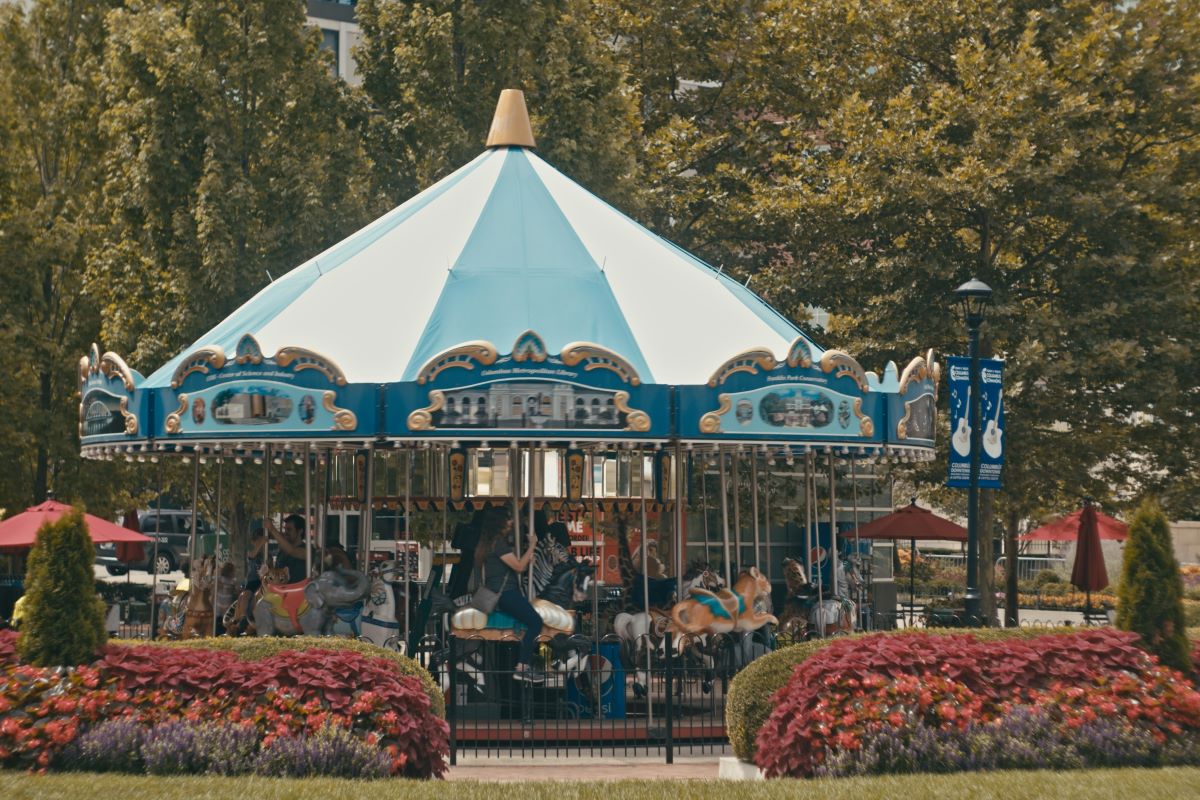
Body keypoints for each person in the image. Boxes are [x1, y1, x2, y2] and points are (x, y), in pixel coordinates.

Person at [476, 508, 545, 683]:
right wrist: (532, 546)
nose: (510, 523)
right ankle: (522, 667)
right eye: (507, 519)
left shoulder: (490, 544)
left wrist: (528, 557)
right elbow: (519, 566)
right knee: (536, 622)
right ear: (499, 523)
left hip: (502, 591)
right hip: (505, 593)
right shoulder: (498, 544)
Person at [266, 513, 309, 583]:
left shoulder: (307, 551)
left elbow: (292, 551)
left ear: (300, 531)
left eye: (289, 529)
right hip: (281, 588)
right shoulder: (283, 551)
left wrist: (272, 529)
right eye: (285, 529)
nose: (285, 532)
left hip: (297, 591)